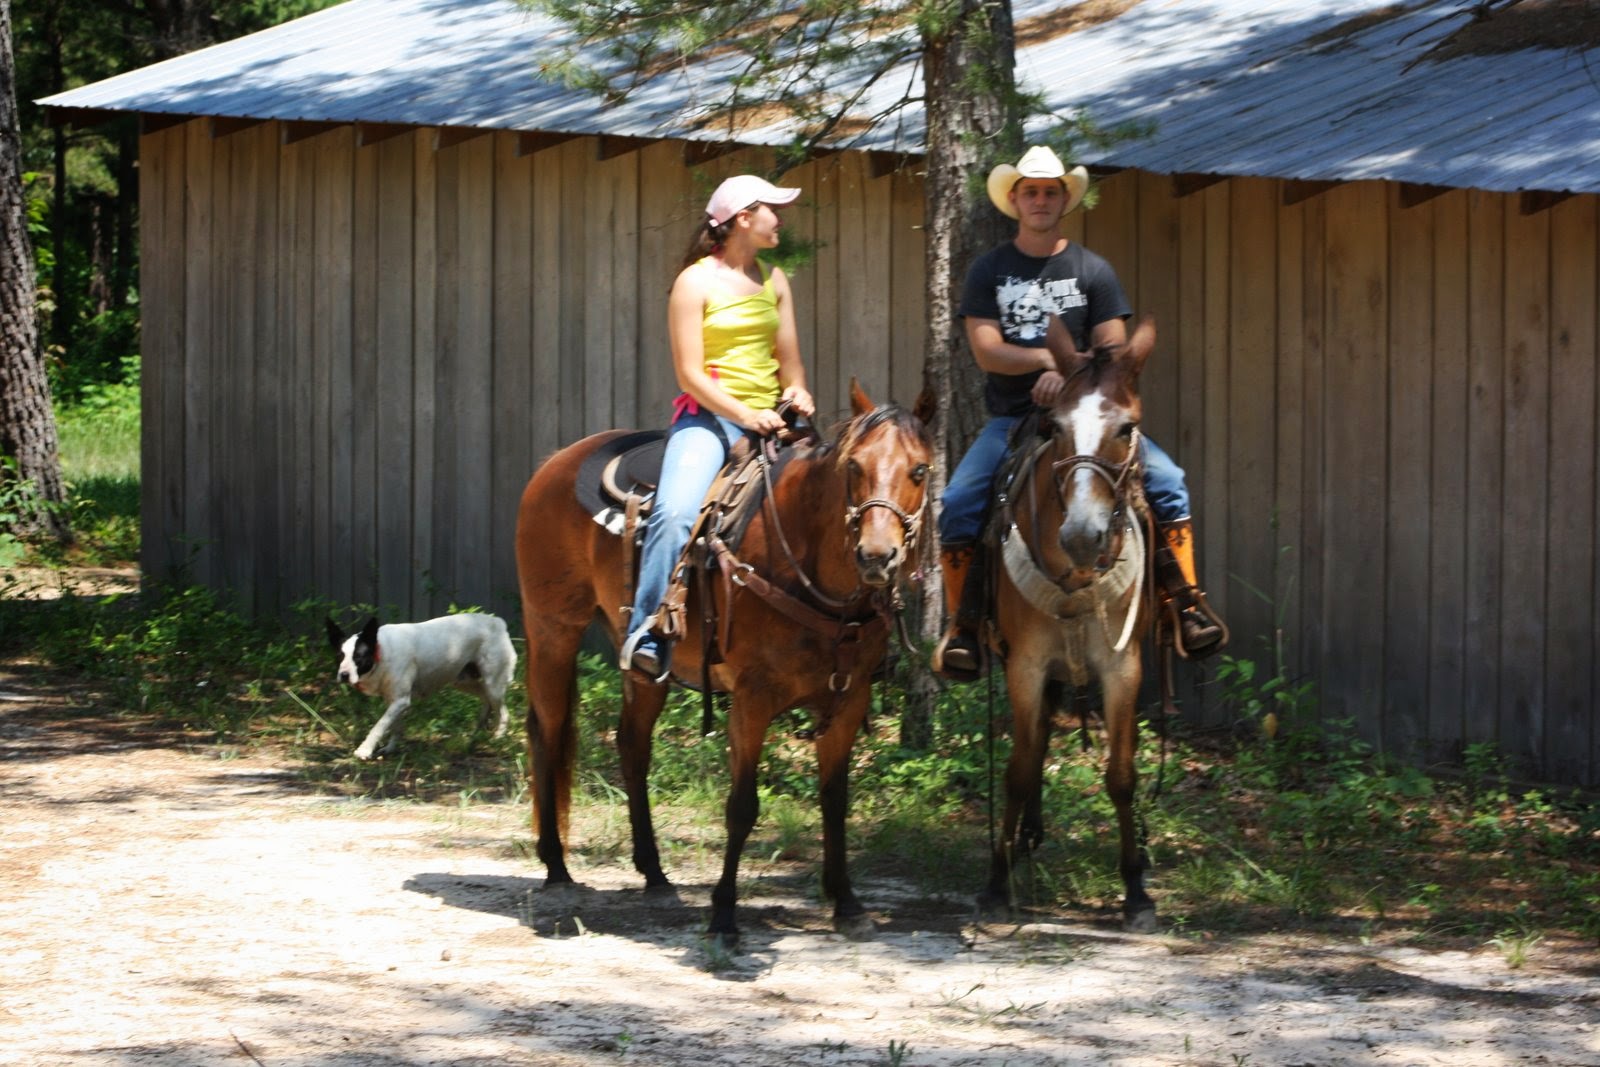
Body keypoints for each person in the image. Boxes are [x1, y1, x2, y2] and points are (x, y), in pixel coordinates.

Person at [932, 145, 1227, 680]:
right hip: (1012, 420)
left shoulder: (1092, 270)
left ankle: (1185, 604)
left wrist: (1068, 381)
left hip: (1089, 421)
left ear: (1065, 199)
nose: (1040, 200)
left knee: (1168, 480)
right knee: (958, 500)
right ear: (1015, 200)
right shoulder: (990, 270)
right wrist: (1048, 359)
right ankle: (963, 626)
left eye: (1050, 191)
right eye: (1030, 192)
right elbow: (986, 349)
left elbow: (1114, 357)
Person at [619, 174, 816, 678]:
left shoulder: (775, 280)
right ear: (743, 218)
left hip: (774, 421)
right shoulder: (695, 281)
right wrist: (745, 414)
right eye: (774, 209)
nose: (782, 218)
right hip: (709, 422)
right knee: (675, 512)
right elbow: (688, 371)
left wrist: (798, 390)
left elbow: (789, 362)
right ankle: (647, 631)